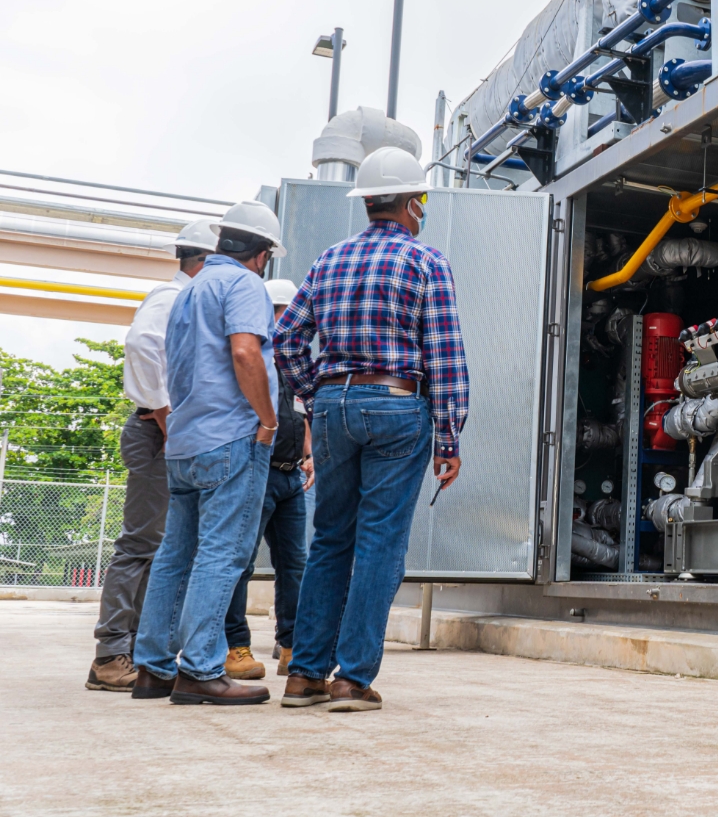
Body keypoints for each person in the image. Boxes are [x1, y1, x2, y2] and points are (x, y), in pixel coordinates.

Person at [275, 147, 468, 712]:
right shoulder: (426, 262)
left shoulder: (328, 260)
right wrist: (449, 437)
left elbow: (286, 339)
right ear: (412, 203)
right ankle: (352, 679)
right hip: (397, 403)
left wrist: (315, 395)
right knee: (380, 541)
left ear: (367, 204)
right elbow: (446, 357)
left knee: (331, 538)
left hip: (334, 404)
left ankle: (305, 674)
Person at [130, 200, 284, 706]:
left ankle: (152, 668)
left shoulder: (189, 291)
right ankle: (199, 669)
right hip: (230, 439)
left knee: (175, 555)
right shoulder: (244, 285)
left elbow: (167, 364)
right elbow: (244, 352)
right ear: (263, 254)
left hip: (186, 442)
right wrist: (267, 419)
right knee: (222, 554)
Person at [85, 219, 217, 692]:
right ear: (203, 262)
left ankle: (135, 650)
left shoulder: (189, 299)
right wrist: (167, 419)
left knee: (162, 547)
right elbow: (142, 344)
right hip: (155, 433)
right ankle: (110, 654)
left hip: (168, 433)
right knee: (141, 544)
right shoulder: (173, 296)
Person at [222, 279, 314, 681]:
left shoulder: (294, 362)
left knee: (295, 564)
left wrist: (308, 452)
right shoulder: (252, 359)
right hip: (255, 472)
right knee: (239, 562)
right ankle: (235, 646)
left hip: (290, 476)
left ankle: (291, 646)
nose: (289, 321)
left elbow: (301, 412)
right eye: (282, 312)